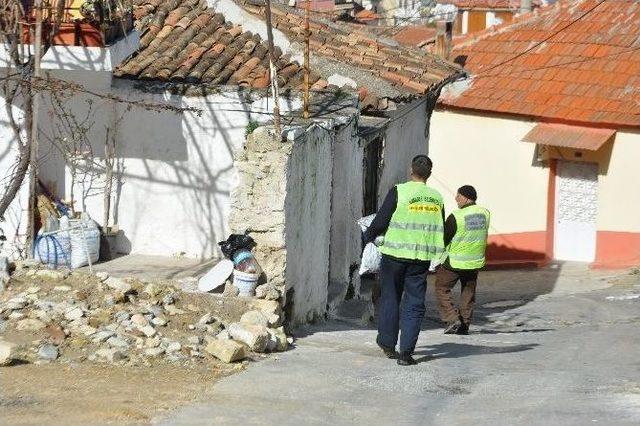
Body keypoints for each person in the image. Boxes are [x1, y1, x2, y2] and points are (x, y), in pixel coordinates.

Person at [363, 155, 445, 366]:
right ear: (429, 174)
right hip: (420, 259)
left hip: (394, 256)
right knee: (415, 305)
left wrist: (368, 235)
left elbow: (381, 221)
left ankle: (388, 343)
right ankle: (406, 353)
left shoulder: (399, 191)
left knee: (390, 297)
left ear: (411, 170)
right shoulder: (437, 199)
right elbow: (439, 228)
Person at [435, 185, 490, 335]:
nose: (456, 199)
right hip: (474, 261)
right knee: (468, 292)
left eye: (458, 196)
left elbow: (444, 239)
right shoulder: (485, 213)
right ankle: (464, 325)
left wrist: (437, 256)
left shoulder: (456, 216)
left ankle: (452, 319)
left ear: (466, 198)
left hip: (455, 261)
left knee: (441, 287)